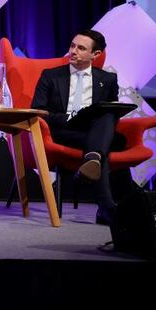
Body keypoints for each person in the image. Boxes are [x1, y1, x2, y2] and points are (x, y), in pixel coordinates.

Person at [31, 29, 127, 226]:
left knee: (107, 113)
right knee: (103, 147)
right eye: (72, 45)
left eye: (81, 48)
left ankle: (93, 160)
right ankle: (106, 206)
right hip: (62, 130)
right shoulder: (51, 76)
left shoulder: (108, 79)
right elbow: (39, 110)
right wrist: (68, 117)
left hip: (91, 131)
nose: (73, 51)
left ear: (96, 54)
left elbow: (113, 115)